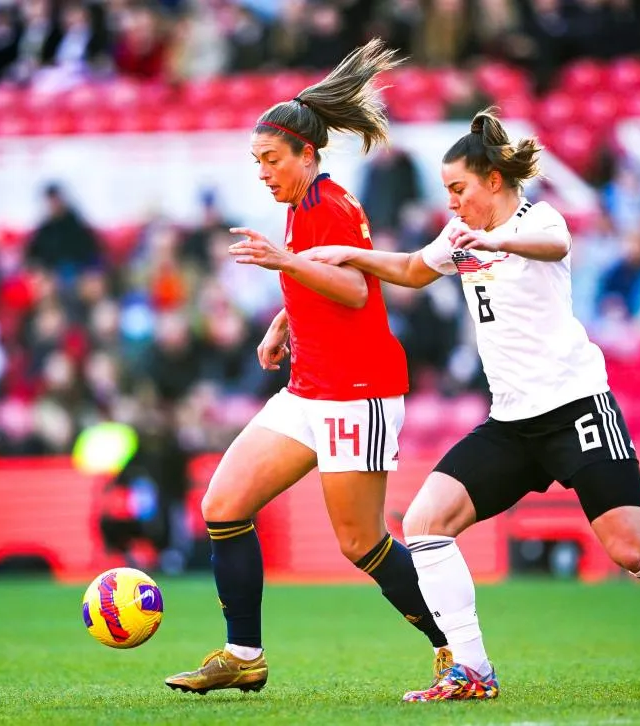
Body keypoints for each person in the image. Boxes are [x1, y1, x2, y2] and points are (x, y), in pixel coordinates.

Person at [304, 108, 640, 701]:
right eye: (446, 192)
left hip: (576, 410)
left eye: (458, 189)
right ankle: (472, 671)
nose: (452, 203)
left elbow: (554, 242)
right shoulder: (460, 236)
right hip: (512, 423)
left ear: (492, 180)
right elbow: (411, 269)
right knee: (424, 522)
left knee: (632, 551)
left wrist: (496, 240)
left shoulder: (539, 219)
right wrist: (349, 255)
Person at [164, 39, 448, 696]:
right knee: (224, 504)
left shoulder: (332, 205)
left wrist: (285, 267)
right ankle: (243, 655)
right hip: (311, 386)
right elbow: (325, 282)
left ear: (307, 154)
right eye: (256, 161)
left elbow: (353, 290)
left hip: (358, 393)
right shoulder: (302, 208)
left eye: (271, 159)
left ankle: (452, 643)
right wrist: (282, 325)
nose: (263, 172)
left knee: (361, 545)